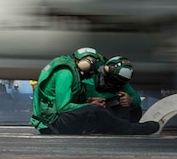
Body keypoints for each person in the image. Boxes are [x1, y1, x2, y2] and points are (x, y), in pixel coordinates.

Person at [31, 47, 159, 136]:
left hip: (55, 121)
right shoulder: (67, 74)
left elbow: (71, 101)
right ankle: (131, 129)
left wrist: (130, 101)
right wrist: (90, 104)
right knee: (95, 110)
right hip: (52, 125)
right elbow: (63, 107)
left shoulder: (73, 72)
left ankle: (121, 127)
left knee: (117, 109)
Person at [87, 55, 143, 122]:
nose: (115, 83)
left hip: (114, 110)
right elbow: (91, 97)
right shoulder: (90, 80)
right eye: (114, 80)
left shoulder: (121, 83)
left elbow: (136, 97)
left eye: (119, 82)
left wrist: (130, 100)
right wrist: (114, 96)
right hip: (96, 110)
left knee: (136, 110)